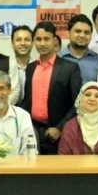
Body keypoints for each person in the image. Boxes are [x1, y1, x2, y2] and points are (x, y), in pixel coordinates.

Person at [22, 22, 82, 155]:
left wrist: (60, 128)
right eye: (38, 39)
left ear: (54, 40)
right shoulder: (30, 68)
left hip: (58, 133)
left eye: (46, 39)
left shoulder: (70, 68)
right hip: (32, 131)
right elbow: (27, 100)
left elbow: (78, 104)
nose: (42, 43)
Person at [58, 14, 98, 84]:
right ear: (68, 33)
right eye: (78, 31)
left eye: (87, 32)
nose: (82, 35)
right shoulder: (57, 59)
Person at [11, 25, 33, 102]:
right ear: (12, 44)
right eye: (18, 40)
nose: (23, 43)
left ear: (32, 43)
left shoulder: (38, 68)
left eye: (27, 39)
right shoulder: (5, 67)